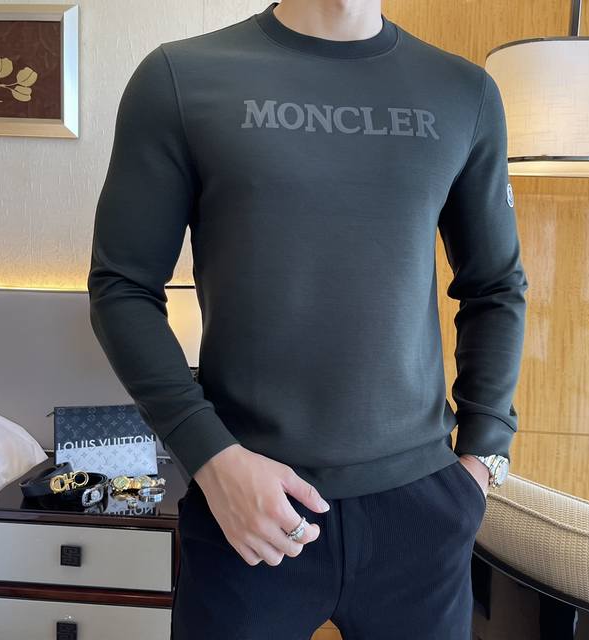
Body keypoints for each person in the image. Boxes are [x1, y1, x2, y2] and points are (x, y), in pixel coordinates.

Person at [87, 1, 529, 638]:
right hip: (245, 503)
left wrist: (484, 456)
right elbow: (122, 285)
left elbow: (495, 287)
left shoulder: (466, 93)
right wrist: (211, 458)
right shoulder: (180, 78)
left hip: (421, 511)